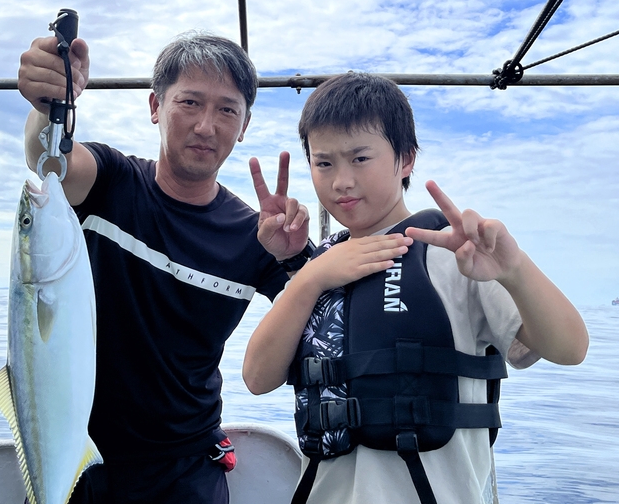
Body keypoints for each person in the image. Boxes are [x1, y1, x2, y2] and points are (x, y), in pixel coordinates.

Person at [243, 72, 589, 504]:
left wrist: (514, 270)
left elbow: (570, 349)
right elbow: (257, 378)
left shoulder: (456, 253)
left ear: (405, 159)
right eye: (324, 162)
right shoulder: (319, 267)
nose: (341, 181)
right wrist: (308, 274)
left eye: (360, 158)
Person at [17, 31, 311, 504]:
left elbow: (326, 320)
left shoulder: (255, 235)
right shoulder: (112, 181)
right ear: (155, 106)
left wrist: (294, 256)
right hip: (77, 458)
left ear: (245, 125)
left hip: (188, 471)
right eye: (190, 103)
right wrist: (51, 104)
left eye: (227, 110)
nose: (206, 126)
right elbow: (49, 160)